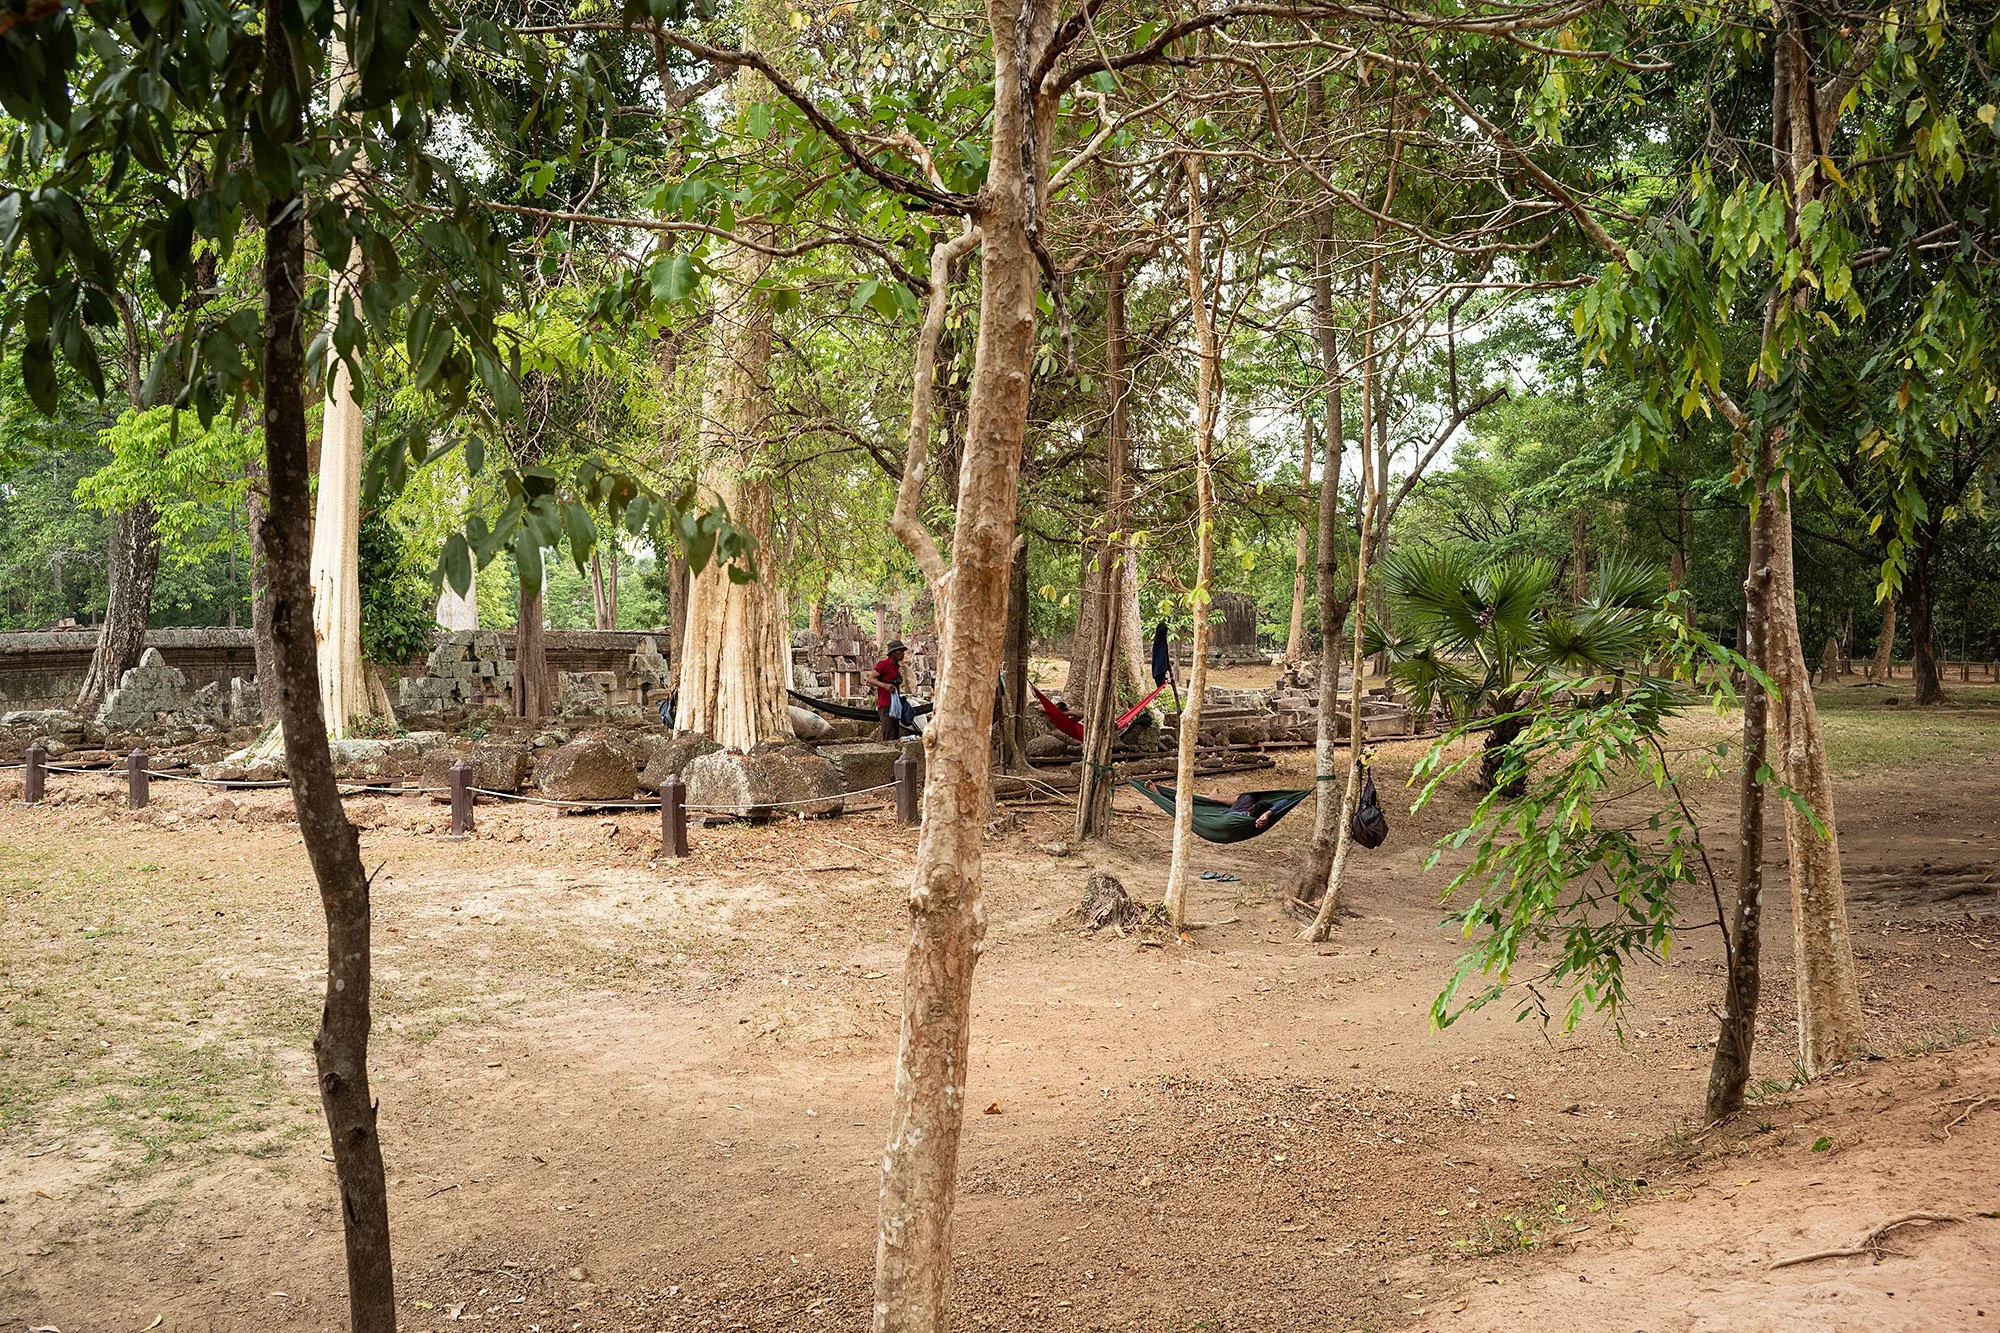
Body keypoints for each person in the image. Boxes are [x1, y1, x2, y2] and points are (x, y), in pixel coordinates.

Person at [864, 639, 908, 740]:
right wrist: (884, 685)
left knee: (896, 735)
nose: (903, 654)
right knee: (889, 735)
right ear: (894, 653)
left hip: (895, 705)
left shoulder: (896, 667)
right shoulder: (883, 664)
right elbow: (870, 679)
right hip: (885, 705)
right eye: (900, 652)